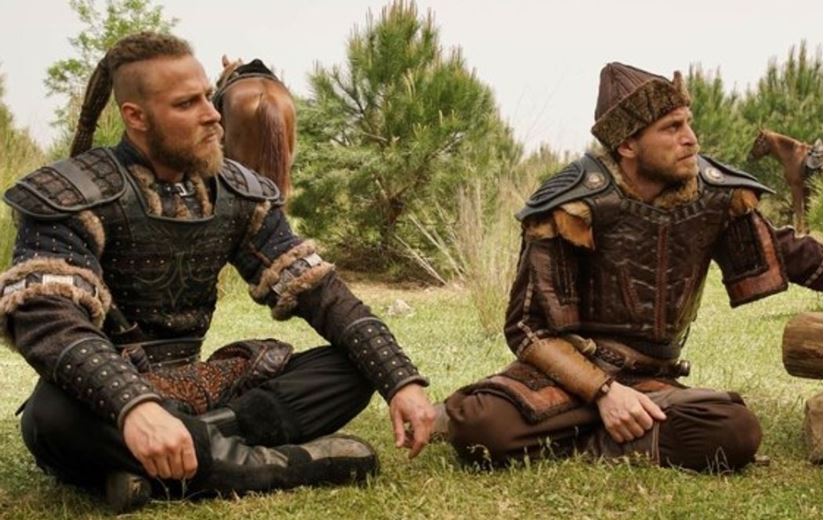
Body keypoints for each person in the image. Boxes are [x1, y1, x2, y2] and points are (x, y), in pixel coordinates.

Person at [0, 32, 436, 512]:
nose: (213, 115)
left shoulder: (238, 193)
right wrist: (133, 405)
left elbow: (320, 291)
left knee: (353, 368)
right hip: (105, 392)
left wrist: (399, 379)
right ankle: (279, 465)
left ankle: (165, 459)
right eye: (187, 104)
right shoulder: (69, 196)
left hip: (197, 386)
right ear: (136, 117)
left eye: (209, 96)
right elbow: (49, 320)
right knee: (51, 417)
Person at [442, 62, 822, 471]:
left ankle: (576, 438)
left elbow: (790, 252)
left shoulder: (715, 195)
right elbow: (526, 327)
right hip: (566, 375)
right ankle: (618, 432)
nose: (691, 139)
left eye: (688, 123)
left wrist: (625, 397)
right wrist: (604, 393)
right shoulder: (571, 204)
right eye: (672, 128)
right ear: (627, 145)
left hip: (651, 381)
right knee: (480, 426)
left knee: (735, 431)